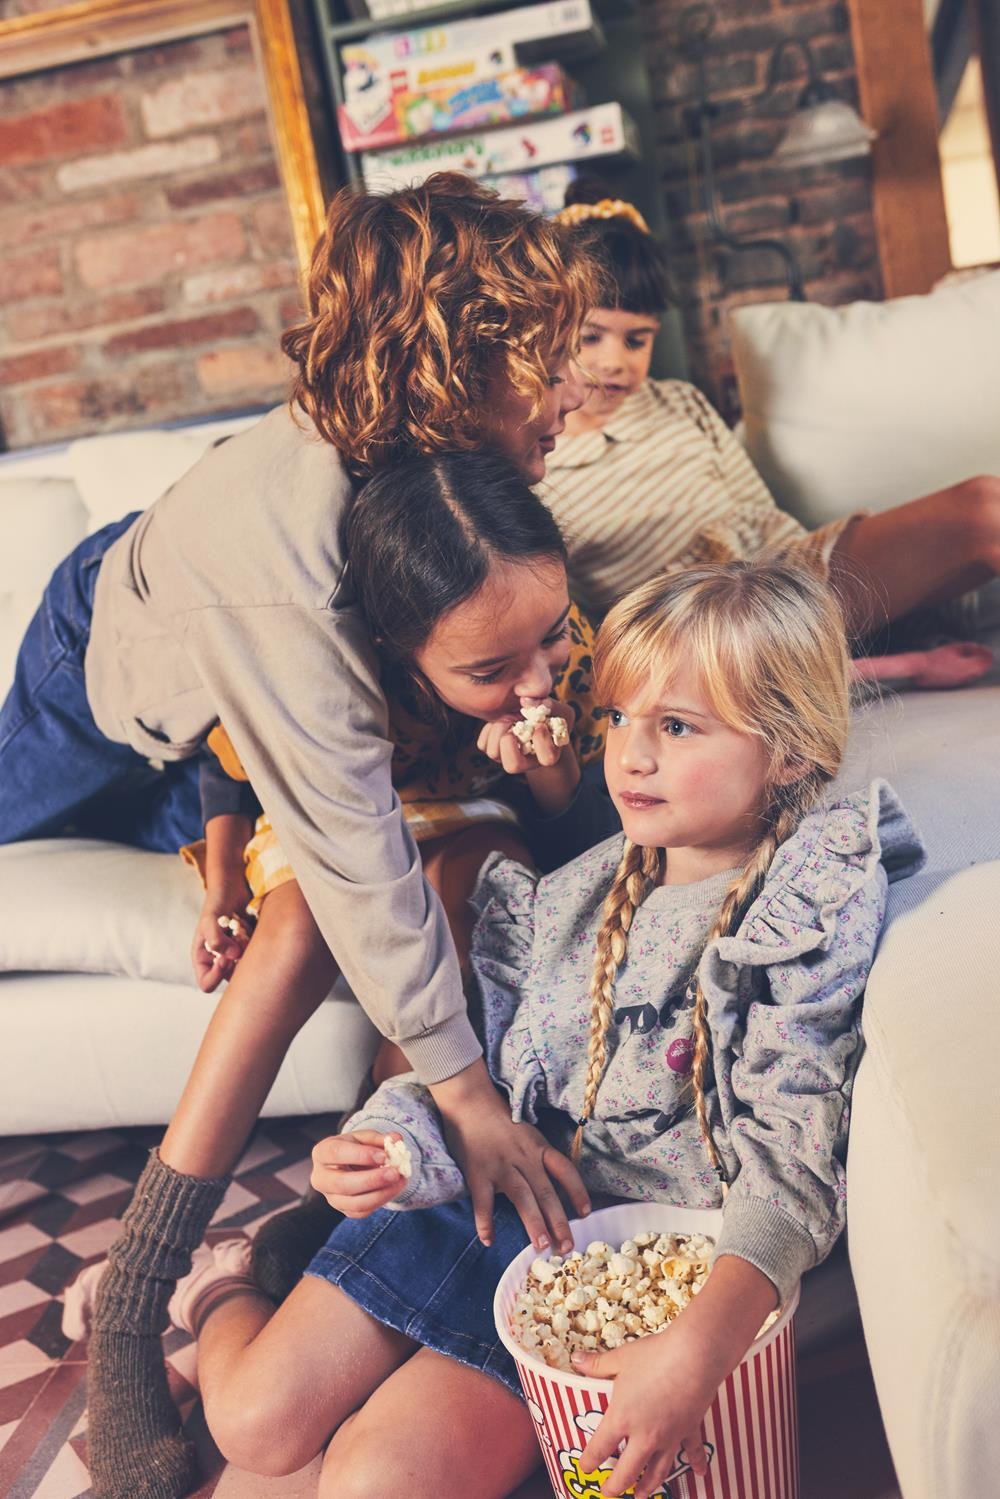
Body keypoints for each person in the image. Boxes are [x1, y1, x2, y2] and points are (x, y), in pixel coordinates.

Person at [1, 174, 600, 1499]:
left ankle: (315, 1246)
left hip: (228, 709)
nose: (569, 396)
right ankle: (134, 1301)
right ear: (449, 371)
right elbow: (348, 842)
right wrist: (468, 1100)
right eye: (544, 367)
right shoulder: (279, 574)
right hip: (103, 666)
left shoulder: (441, 486)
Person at [147, 559, 923, 1499]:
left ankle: (361, 1359)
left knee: (374, 1480)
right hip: (483, 1203)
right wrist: (389, 1143)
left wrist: (693, 1350)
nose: (629, 755)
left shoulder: (810, 893)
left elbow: (793, 1150)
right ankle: (226, 1280)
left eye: (676, 726)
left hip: (622, 1276)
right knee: (254, 1423)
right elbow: (488, 1075)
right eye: (620, 717)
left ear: (791, 750)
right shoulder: (580, 890)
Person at [545, 185, 998, 687]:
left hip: (787, 582)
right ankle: (886, 665)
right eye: (591, 337)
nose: (615, 362)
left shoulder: (679, 401)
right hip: (700, 639)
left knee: (985, 505)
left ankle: (874, 648)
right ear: (552, 330)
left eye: (637, 340)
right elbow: (594, 639)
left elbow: (762, 516)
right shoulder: (540, 460)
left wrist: (818, 586)